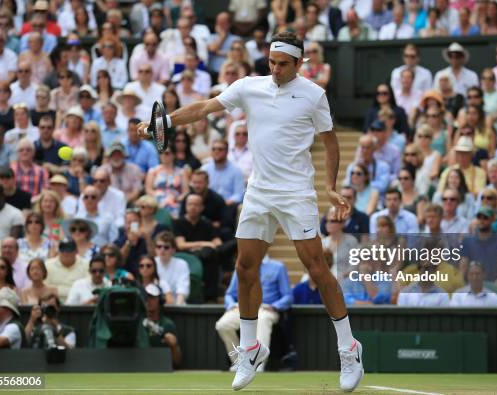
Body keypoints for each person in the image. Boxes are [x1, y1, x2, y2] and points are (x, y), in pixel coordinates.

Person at [137, 31, 363, 391]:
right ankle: (250, 348)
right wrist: (163, 124)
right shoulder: (248, 86)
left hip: (295, 193)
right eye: (272, 62)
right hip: (258, 191)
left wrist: (331, 185)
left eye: (283, 64)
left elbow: (330, 141)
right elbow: (204, 108)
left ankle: (349, 348)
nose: (275, 69)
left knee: (317, 268)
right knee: (244, 268)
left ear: (299, 63)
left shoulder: (314, 95)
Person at [215, 256, 292, 371]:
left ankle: (256, 364)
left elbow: (288, 296)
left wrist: (275, 306)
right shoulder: (241, 266)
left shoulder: (278, 267)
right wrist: (231, 305)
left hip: (266, 308)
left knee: (262, 319)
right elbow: (229, 294)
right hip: (243, 307)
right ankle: (240, 363)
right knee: (222, 325)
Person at [461, 207, 497, 287]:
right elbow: (463, 265)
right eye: (479, 217)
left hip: (494, 284)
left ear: (492, 220)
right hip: (473, 283)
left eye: (485, 218)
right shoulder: (467, 241)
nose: (481, 220)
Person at [143, 283, 182, 368]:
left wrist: (174, 346)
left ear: (160, 300)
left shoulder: (168, 325)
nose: (148, 301)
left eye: (152, 297)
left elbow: (177, 362)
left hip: (161, 368)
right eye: (145, 298)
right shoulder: (138, 323)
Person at [153, 231, 190, 305]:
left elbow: (182, 289)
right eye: (159, 247)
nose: (162, 250)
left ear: (173, 250)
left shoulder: (182, 264)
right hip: (156, 304)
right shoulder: (150, 263)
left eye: (166, 247)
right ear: (155, 249)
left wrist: (177, 308)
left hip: (177, 303)